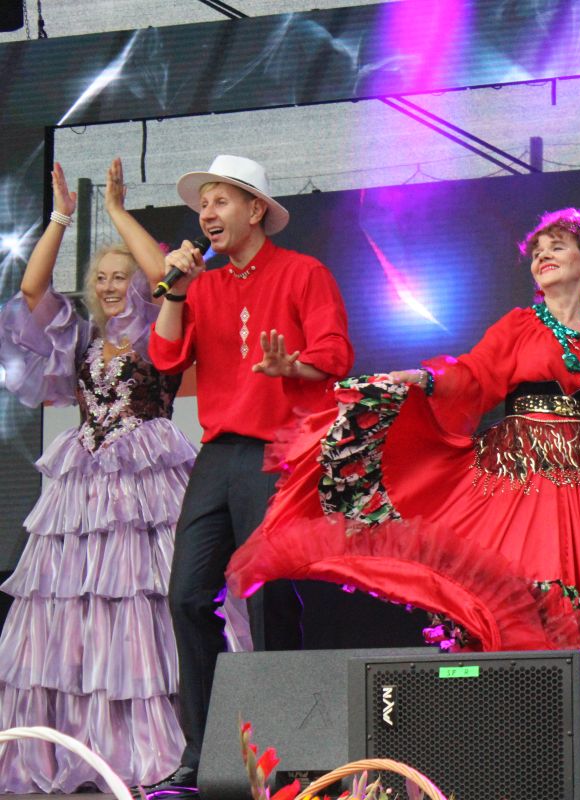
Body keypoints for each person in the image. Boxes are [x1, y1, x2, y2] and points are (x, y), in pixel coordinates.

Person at [225, 208, 580, 788]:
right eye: (537, 248)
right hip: (521, 485)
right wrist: (422, 379)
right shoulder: (521, 326)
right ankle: (517, 759)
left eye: (558, 245)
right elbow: (473, 378)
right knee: (524, 609)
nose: (542, 254)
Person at [147, 155, 354, 792]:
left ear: (255, 209)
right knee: (187, 595)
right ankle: (208, 750)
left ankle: (285, 753)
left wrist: (294, 368)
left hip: (280, 451)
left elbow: (336, 353)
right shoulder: (201, 286)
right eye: (203, 205)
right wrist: (175, 290)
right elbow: (165, 357)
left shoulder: (303, 272)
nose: (207, 214)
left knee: (269, 598)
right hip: (218, 452)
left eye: (220, 201)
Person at [0, 159, 194, 791]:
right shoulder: (80, 338)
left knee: (140, 605)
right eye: (101, 278)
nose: (111, 286)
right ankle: (79, 742)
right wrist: (61, 217)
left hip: (145, 487)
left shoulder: (160, 331)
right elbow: (33, 292)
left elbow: (168, 278)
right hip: (83, 492)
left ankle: (153, 744)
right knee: (74, 608)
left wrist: (115, 211)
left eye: (121, 277)